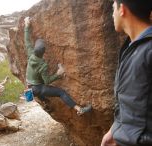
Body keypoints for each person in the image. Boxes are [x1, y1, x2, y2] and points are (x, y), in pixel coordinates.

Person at [101, 0, 152, 146]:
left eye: (113, 9)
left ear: (122, 9)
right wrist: (115, 130)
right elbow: (129, 102)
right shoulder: (131, 46)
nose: (112, 14)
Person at [24, 17, 92, 115]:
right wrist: (58, 73)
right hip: (39, 88)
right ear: (43, 53)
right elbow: (47, 81)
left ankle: (45, 103)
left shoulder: (30, 55)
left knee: (42, 92)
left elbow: (27, 41)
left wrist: (27, 26)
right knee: (61, 93)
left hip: (30, 87)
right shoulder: (43, 65)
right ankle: (79, 109)